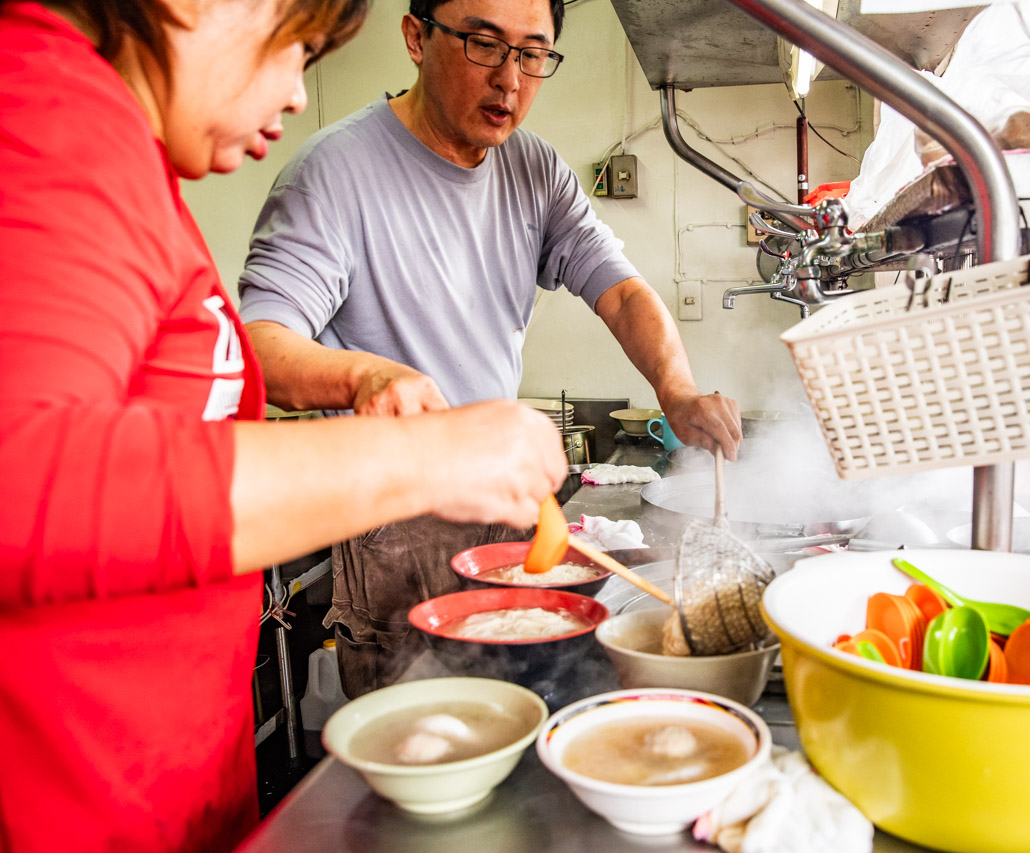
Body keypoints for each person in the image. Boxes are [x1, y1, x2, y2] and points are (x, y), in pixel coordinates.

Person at [0, 1, 568, 851]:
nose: (299, 93)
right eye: (297, 46)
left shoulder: (120, 152)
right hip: (73, 804)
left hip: (160, 782)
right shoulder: (48, 116)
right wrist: (418, 458)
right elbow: (24, 477)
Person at [236, 0, 743, 697]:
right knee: (419, 730)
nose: (510, 80)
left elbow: (621, 292)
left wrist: (677, 388)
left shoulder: (535, 171)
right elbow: (258, 344)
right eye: (483, 44)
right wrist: (364, 374)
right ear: (417, 37)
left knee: (523, 706)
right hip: (393, 526)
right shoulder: (334, 172)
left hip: (504, 509)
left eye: (533, 54)